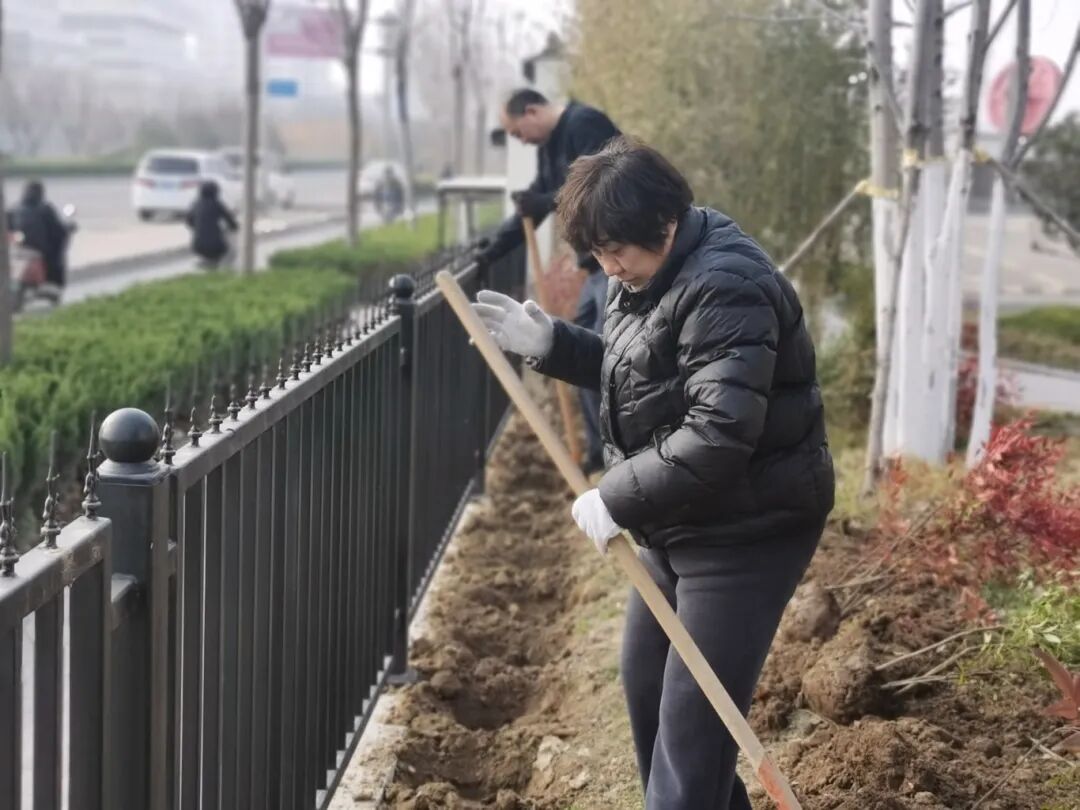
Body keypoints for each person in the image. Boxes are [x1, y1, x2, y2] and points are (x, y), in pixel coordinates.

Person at [472, 137, 834, 810]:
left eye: (617, 251)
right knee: (647, 691)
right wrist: (555, 345)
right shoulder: (646, 271)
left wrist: (615, 495)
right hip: (682, 515)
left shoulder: (727, 284)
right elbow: (646, 370)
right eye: (598, 254)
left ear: (665, 223)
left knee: (691, 736)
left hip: (748, 528)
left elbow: (720, 432)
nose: (608, 268)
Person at [477, 88, 619, 270]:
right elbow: (534, 205)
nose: (523, 141)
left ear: (531, 112)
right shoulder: (547, 148)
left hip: (619, 252)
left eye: (518, 133)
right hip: (597, 260)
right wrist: (492, 250)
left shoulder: (584, 123)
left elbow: (602, 185)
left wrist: (542, 202)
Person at [573, 260, 609, 474]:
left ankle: (608, 457)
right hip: (595, 270)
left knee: (604, 361)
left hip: (608, 265)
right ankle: (598, 453)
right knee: (583, 363)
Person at [6, 181, 70, 290]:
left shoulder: (14, 210)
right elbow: (59, 231)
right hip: (41, 253)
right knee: (56, 264)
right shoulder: (46, 210)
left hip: (20, 251)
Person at [186, 181, 238, 268]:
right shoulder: (217, 204)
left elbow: (189, 221)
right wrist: (234, 227)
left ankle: (207, 264)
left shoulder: (196, 204)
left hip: (197, 245)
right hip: (216, 246)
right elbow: (230, 220)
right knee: (228, 253)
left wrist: (197, 227)